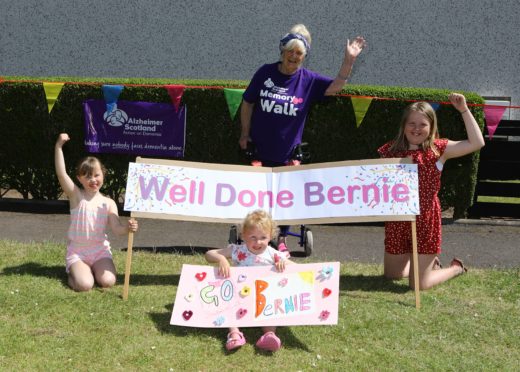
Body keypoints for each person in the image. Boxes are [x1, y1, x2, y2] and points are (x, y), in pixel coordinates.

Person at [239, 24, 366, 254]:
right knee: (259, 196)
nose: (294, 56)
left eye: (299, 53)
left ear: (304, 56)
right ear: (282, 50)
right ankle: (255, 239)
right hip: (259, 150)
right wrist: (244, 133)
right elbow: (247, 102)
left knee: (285, 199)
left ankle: (282, 239)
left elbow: (336, 87)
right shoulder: (265, 73)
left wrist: (349, 61)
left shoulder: (308, 80)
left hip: (288, 153)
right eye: (290, 51)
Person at [378, 93, 485, 290]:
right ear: (403, 125)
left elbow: (477, 143)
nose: (416, 129)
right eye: (412, 123)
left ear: (431, 127)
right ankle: (427, 265)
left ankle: (455, 268)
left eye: (422, 124)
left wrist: (464, 110)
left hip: (425, 218)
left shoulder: (438, 149)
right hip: (397, 218)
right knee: (391, 275)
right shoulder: (390, 150)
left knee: (418, 285)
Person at [55, 133, 138, 292]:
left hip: (100, 252)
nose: (93, 180)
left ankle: (91, 270)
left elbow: (117, 229)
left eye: (96, 175)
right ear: (79, 179)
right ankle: (74, 274)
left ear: (103, 175)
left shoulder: (108, 203)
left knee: (108, 281)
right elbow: (61, 174)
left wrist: (128, 228)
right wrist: (58, 146)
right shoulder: (76, 196)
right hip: (78, 252)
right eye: (87, 176)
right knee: (85, 285)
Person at [205, 209, 293, 352]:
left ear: (271, 236)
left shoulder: (274, 254)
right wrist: (221, 258)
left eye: (263, 237)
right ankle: (234, 333)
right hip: (240, 295)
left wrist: (282, 265)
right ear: (243, 235)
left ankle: (269, 334)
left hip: (263, 297)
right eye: (252, 237)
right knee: (228, 301)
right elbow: (209, 255)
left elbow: (298, 269)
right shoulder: (237, 250)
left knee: (273, 303)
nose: (258, 242)